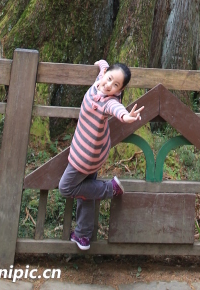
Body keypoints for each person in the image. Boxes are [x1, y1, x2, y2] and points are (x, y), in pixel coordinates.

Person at [58, 59, 143, 250]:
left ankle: (110, 189)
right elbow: (104, 67)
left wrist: (126, 116)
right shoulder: (100, 79)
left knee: (66, 188)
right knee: (86, 192)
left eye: (116, 85)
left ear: (119, 91)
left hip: (85, 158)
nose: (109, 85)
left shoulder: (108, 101)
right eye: (109, 78)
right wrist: (102, 63)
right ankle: (83, 235)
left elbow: (116, 110)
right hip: (94, 150)